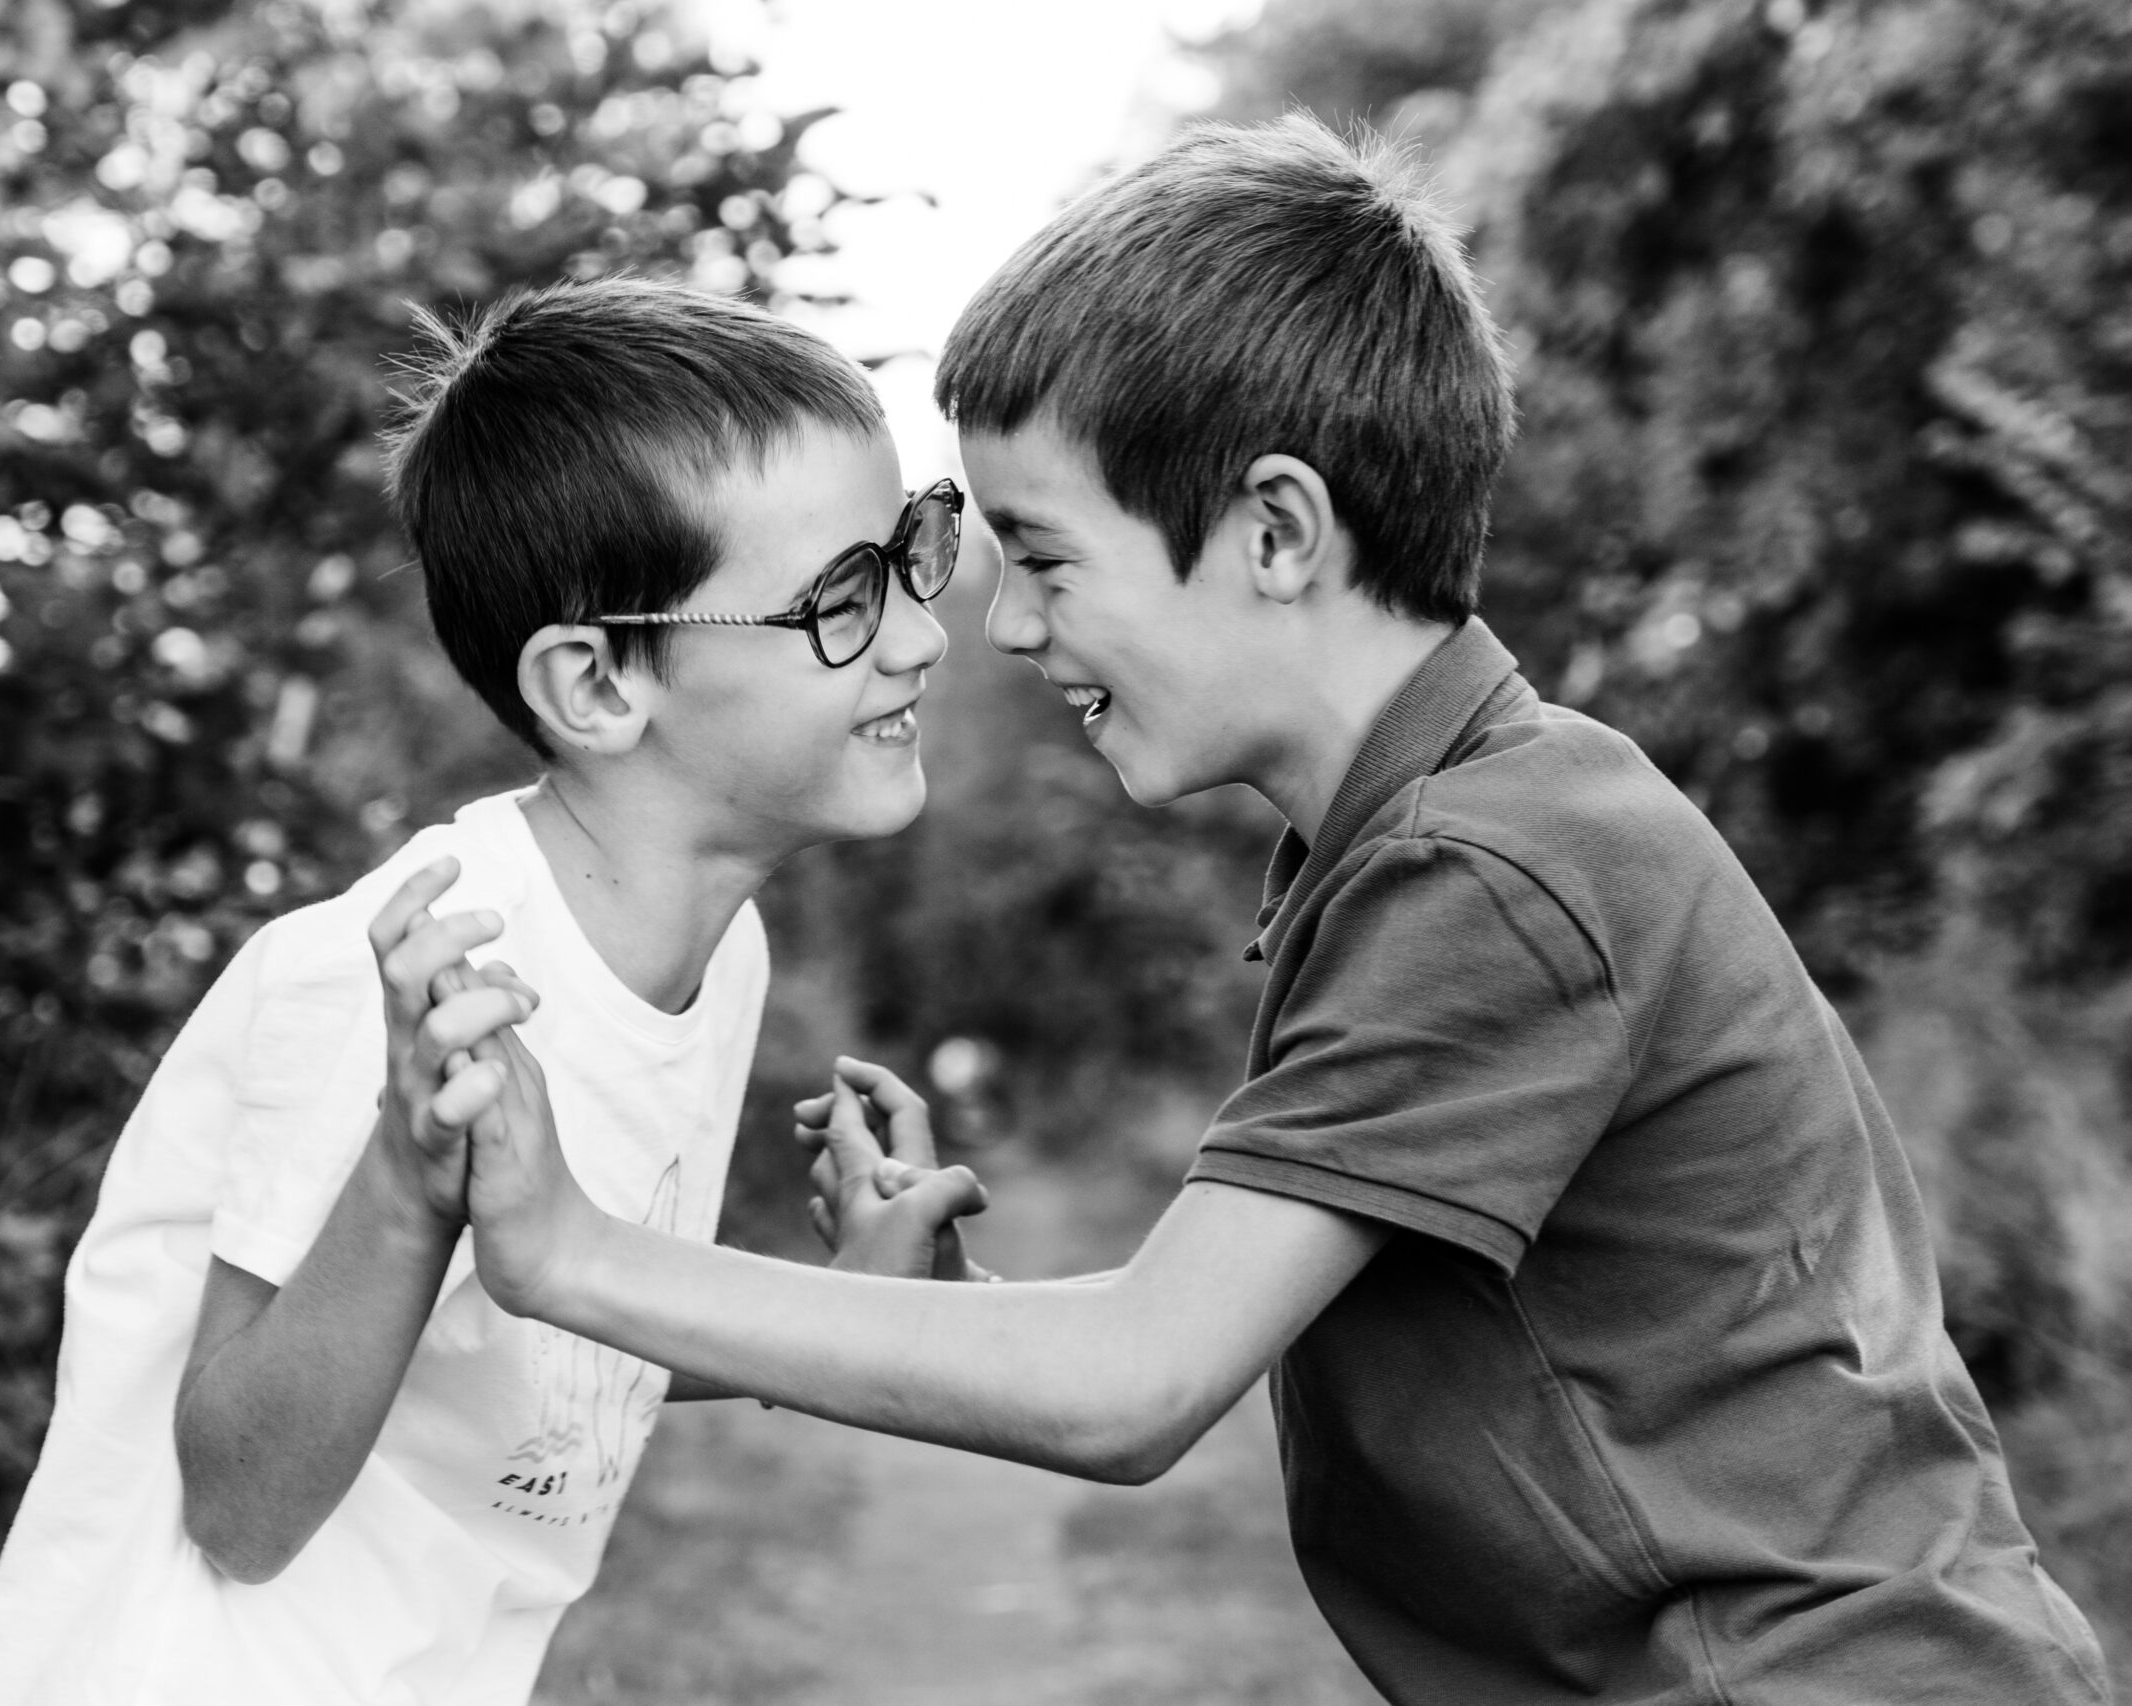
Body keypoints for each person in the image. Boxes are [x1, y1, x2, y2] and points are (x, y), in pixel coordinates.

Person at [428, 121, 2117, 1704]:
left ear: (1277, 530)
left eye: (1044, 552)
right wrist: (941, 1308)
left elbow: (1139, 1386)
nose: (1004, 630)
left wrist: (569, 1251)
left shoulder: (1494, 864)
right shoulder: (1441, 830)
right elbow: (1185, 1326)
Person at [0, 278, 990, 1706]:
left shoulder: (720, 955)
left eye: (909, 550)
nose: (919, 634)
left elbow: (544, 1352)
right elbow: (240, 1503)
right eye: (842, 596)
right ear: (595, 686)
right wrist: (404, 1181)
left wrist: (826, 1313)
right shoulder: (406, 974)